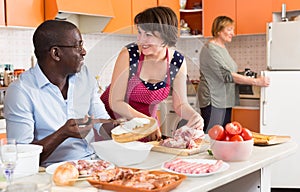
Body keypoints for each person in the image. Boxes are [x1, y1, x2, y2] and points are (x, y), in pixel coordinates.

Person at [3, 20, 111, 167]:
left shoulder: (84, 76)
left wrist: (134, 128)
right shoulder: (21, 91)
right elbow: (22, 158)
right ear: (56, 53)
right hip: (54, 172)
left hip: (95, 164)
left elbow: (102, 122)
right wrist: (63, 133)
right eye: (77, 45)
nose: (84, 51)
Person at [101, 6, 204, 141]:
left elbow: (180, 105)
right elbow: (116, 102)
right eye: (140, 32)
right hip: (114, 123)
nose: (141, 40)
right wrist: (148, 121)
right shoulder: (129, 54)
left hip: (148, 125)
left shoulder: (177, 62)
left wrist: (194, 116)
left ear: (165, 36)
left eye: (148, 35)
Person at [197, 16, 270, 133]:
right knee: (213, 136)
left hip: (224, 99)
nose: (233, 33)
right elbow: (227, 75)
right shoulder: (210, 49)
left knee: (223, 137)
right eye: (229, 29)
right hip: (214, 100)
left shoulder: (221, 47)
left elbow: (230, 72)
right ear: (219, 30)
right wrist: (256, 81)